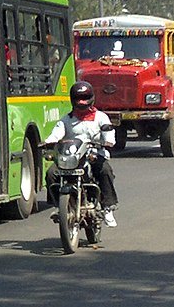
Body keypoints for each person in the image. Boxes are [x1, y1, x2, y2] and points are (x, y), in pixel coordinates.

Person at [43, 81, 119, 227]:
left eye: (85, 97)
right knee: (51, 173)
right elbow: (55, 135)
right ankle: (58, 206)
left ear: (91, 98)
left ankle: (108, 208)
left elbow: (109, 134)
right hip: (73, 158)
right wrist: (48, 142)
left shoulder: (101, 117)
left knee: (105, 171)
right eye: (78, 98)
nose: (81, 101)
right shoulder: (67, 119)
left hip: (94, 155)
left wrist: (108, 142)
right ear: (72, 99)